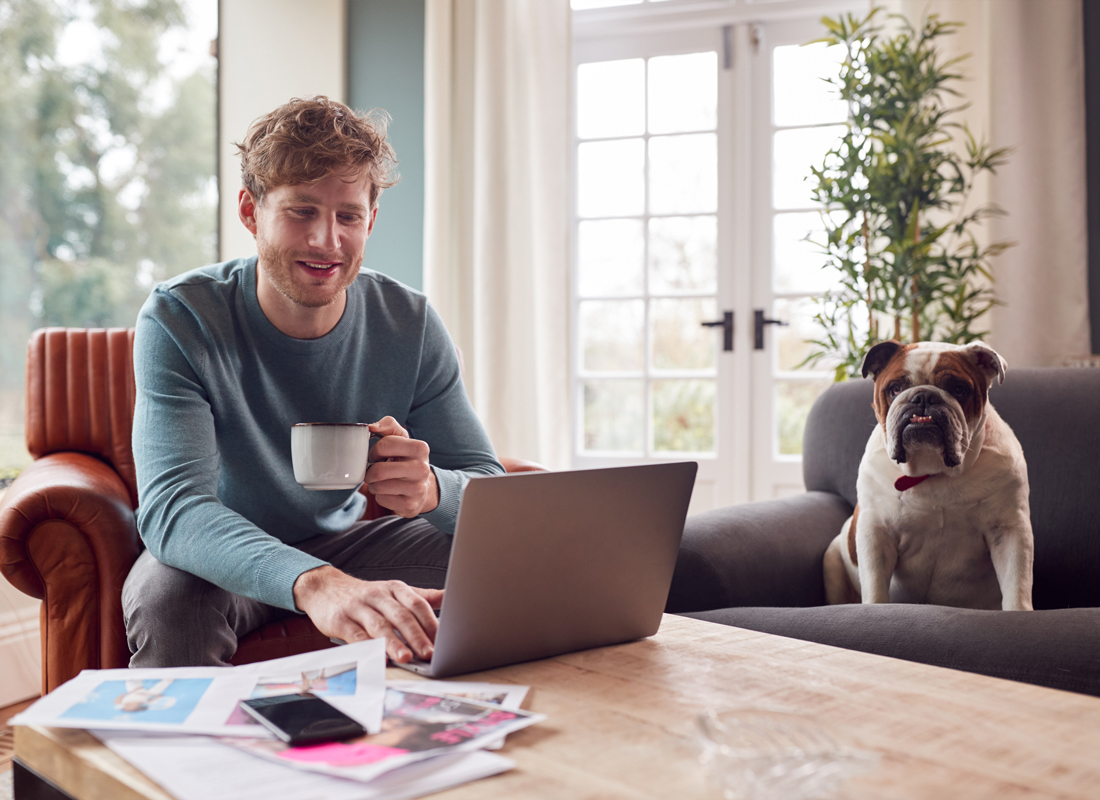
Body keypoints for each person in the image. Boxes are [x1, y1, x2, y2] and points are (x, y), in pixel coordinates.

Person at [122, 96, 503, 668]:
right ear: (251, 212)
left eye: (348, 216)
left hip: (353, 542)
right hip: (220, 553)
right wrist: (317, 584)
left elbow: (488, 490)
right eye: (301, 211)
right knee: (168, 599)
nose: (327, 241)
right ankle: (195, 759)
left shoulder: (411, 323)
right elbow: (175, 508)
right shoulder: (182, 317)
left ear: (370, 219)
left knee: (521, 563)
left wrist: (430, 490)